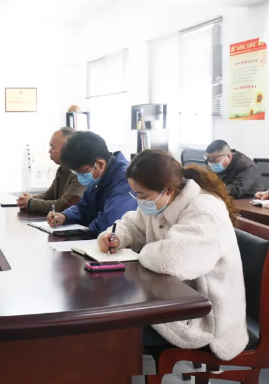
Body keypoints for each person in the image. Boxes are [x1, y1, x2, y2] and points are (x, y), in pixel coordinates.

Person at [97, 149, 248, 361]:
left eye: (142, 195)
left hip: (208, 317)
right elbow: (132, 224)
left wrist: (142, 252)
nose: (138, 200)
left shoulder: (204, 209)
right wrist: (116, 236)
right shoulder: (161, 201)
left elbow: (174, 260)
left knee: (116, 328)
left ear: (167, 189)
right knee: (114, 313)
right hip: (176, 297)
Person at [46, 131, 137, 234]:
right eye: (76, 173)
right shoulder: (99, 176)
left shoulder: (125, 179)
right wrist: (65, 216)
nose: (80, 177)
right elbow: (84, 207)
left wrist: (83, 230)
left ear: (100, 164)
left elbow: (110, 223)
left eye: (82, 172)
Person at [17, 127, 85, 213]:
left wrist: (30, 202)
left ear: (68, 148)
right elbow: (50, 194)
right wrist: (27, 199)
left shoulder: (81, 172)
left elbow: (64, 205)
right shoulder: (63, 169)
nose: (49, 151)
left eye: (53, 147)